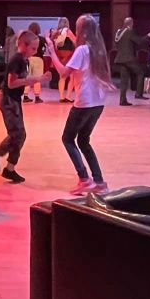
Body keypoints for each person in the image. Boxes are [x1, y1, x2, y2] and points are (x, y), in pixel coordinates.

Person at [46, 15, 116, 195]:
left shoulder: (82, 50)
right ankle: (99, 182)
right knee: (84, 140)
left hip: (84, 102)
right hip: (98, 103)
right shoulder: (97, 49)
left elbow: (62, 73)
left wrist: (51, 51)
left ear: (82, 30)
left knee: (68, 139)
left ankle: (84, 179)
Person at [0, 30, 51, 184]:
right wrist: (38, 79)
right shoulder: (17, 60)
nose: (35, 52)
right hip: (8, 100)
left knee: (19, 135)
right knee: (18, 134)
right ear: (23, 45)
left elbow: (22, 79)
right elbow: (11, 83)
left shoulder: (24, 60)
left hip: (14, 100)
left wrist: (36, 79)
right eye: (33, 48)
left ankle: (9, 168)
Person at [113, 16, 150, 106]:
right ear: (130, 23)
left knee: (124, 80)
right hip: (129, 58)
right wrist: (148, 36)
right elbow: (139, 41)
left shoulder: (118, 32)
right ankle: (138, 94)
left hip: (120, 59)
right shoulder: (129, 32)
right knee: (140, 72)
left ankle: (122, 100)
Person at [52, 17, 77, 103]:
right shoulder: (67, 31)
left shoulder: (56, 32)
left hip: (59, 56)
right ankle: (68, 96)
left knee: (62, 77)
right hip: (69, 55)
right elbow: (76, 41)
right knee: (72, 76)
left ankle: (61, 97)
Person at [24, 22, 47, 103]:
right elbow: (45, 48)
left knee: (28, 77)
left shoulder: (27, 39)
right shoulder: (41, 39)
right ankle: (37, 97)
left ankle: (25, 96)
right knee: (37, 78)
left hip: (29, 59)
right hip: (38, 59)